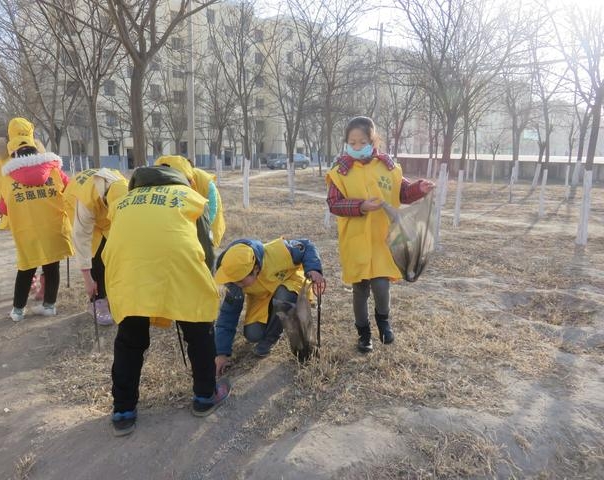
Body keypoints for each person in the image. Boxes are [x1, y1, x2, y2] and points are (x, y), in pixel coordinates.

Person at [102, 164, 230, 436]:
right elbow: (206, 249)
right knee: (198, 330)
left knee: (129, 340)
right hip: (179, 269)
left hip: (130, 272)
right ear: (180, 179)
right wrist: (206, 281)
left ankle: (123, 411)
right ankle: (205, 396)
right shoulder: (190, 197)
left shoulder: (122, 201)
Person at [326, 116, 434, 353]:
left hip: (383, 239)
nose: (356, 147)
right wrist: (361, 206)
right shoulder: (339, 172)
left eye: (362, 142)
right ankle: (364, 334)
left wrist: (419, 188)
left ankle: (383, 321)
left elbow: (403, 192)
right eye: (352, 143)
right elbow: (334, 204)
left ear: (373, 141)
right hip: (355, 240)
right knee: (360, 290)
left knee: (382, 285)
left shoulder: (388, 167)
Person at [0, 117, 74, 321]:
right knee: (52, 267)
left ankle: (17, 311)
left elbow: (3, 208)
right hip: (54, 229)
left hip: (27, 231)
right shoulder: (54, 170)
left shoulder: (7, 178)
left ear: (13, 151)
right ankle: (49, 306)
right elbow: (71, 191)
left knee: (26, 269)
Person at [213, 238, 326, 377]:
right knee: (253, 334)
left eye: (240, 280)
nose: (236, 283)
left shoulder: (279, 252)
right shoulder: (235, 282)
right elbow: (228, 316)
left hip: (289, 285)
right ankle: (274, 322)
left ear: (255, 269)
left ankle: (272, 338)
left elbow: (307, 246)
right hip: (263, 298)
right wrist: (221, 353)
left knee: (283, 297)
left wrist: (314, 269)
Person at [0, 130, 48, 300]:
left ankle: (44, 280)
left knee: (43, 245)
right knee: (26, 246)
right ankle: (32, 278)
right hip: (14, 206)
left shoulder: (37, 147)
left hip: (38, 205)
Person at [64, 168, 128, 325]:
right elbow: (81, 239)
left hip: (103, 214)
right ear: (105, 200)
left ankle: (112, 295)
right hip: (76, 202)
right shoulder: (86, 201)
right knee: (96, 252)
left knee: (111, 250)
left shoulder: (124, 189)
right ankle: (98, 301)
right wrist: (87, 279)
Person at [154, 155, 226, 247]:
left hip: (209, 217)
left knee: (206, 244)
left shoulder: (205, 182)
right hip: (190, 217)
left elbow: (212, 209)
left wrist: (202, 228)